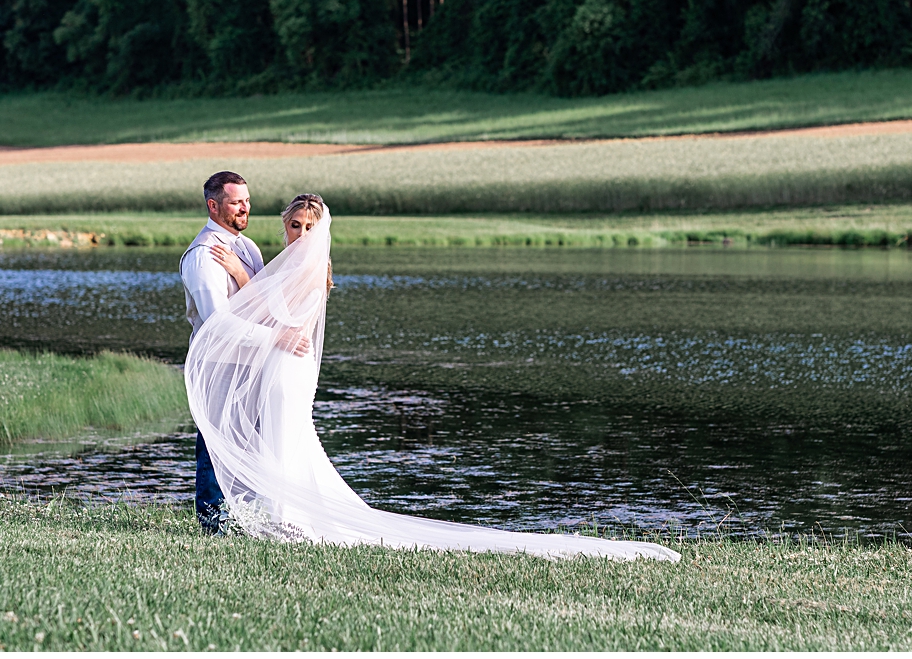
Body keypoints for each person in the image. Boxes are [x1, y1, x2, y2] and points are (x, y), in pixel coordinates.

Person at [185, 193, 680, 562]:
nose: (300, 234)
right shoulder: (293, 260)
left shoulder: (313, 266)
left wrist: (243, 275)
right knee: (281, 436)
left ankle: (288, 517)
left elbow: (274, 314)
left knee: (287, 435)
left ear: (321, 229)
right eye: (293, 225)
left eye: (308, 226)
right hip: (280, 361)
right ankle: (279, 514)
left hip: (286, 365)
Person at [179, 171, 268, 534]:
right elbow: (218, 322)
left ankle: (247, 517)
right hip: (217, 363)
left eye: (246, 200)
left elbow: (265, 303)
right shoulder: (203, 256)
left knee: (248, 443)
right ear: (213, 206)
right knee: (216, 444)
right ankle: (214, 523)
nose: (245, 208)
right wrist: (272, 340)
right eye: (235, 202)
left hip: (249, 363)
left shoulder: (247, 248)